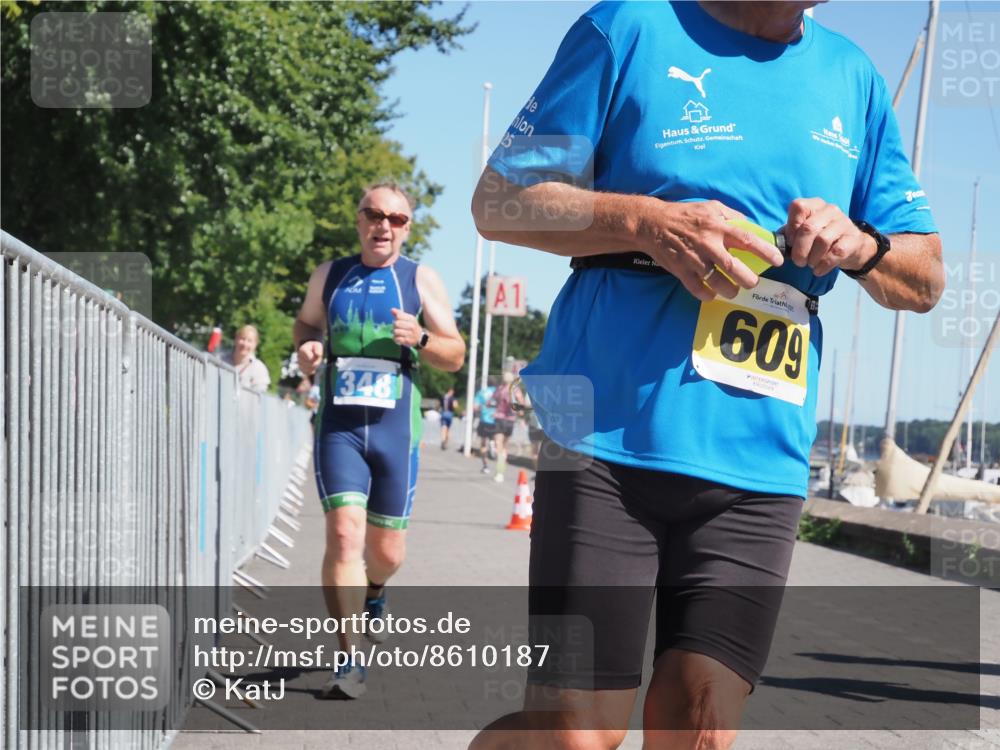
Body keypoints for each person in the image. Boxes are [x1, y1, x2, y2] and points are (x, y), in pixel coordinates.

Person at [469, 2, 943, 748]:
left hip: (759, 460)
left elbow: (924, 278)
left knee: (701, 728)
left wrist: (860, 245)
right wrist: (650, 223)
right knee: (574, 734)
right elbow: (499, 201)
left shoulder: (852, 75)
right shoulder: (629, 27)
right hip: (603, 435)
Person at [293, 182, 465, 699]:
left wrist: (424, 338)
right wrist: (308, 348)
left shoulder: (419, 279)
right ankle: (347, 659)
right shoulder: (330, 275)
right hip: (339, 426)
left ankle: (376, 590)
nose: (383, 225)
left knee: (386, 551)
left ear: (407, 228)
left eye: (395, 218)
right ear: (359, 220)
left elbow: (455, 353)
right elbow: (304, 325)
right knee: (344, 537)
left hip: (396, 429)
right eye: (373, 214)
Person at [488, 372, 518, 483]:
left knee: (499, 446)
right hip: (511, 421)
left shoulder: (499, 389)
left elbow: (489, 401)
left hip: (500, 418)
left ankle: (499, 472)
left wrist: (492, 407)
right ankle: (500, 471)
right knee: (505, 447)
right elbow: (521, 403)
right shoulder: (515, 390)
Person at [223, 325, 270, 393]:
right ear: (236, 339)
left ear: (255, 345)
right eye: (242, 339)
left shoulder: (259, 369)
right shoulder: (221, 361)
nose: (245, 344)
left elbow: (258, 397)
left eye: (249, 341)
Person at [474, 376, 498, 474]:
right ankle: (493, 445)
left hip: (484, 420)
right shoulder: (499, 392)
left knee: (483, 444)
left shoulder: (481, 393)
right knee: (497, 440)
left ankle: (485, 466)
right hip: (496, 420)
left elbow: (475, 407)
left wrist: (482, 408)